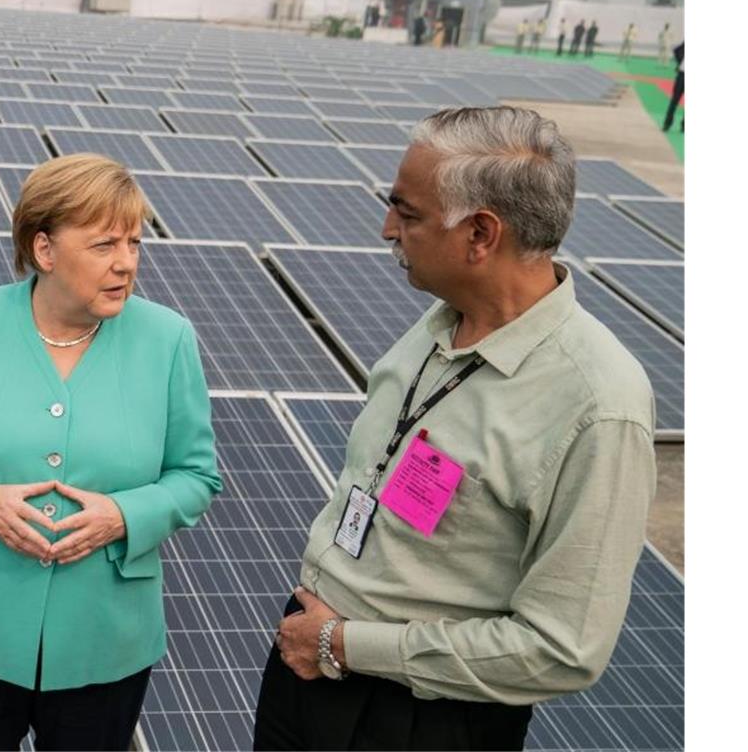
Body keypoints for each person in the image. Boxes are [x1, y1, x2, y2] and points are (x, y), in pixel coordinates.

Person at [252, 106, 656, 751]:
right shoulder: (442, 322)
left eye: (408, 215)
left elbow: (562, 647)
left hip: (418, 718)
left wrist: (348, 644)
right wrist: (321, 638)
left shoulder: (597, 404)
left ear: (480, 235)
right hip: (309, 661)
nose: (388, 229)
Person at [0, 153, 223, 751]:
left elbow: (195, 476)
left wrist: (122, 516)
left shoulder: (168, 339)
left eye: (134, 243)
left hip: (105, 638)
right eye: (103, 246)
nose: (125, 264)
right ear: (44, 249)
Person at [662, 41, 684, 132]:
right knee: (674, 101)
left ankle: (684, 126)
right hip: (682, 75)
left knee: (674, 101)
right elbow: (677, 50)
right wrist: (680, 62)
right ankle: (667, 124)